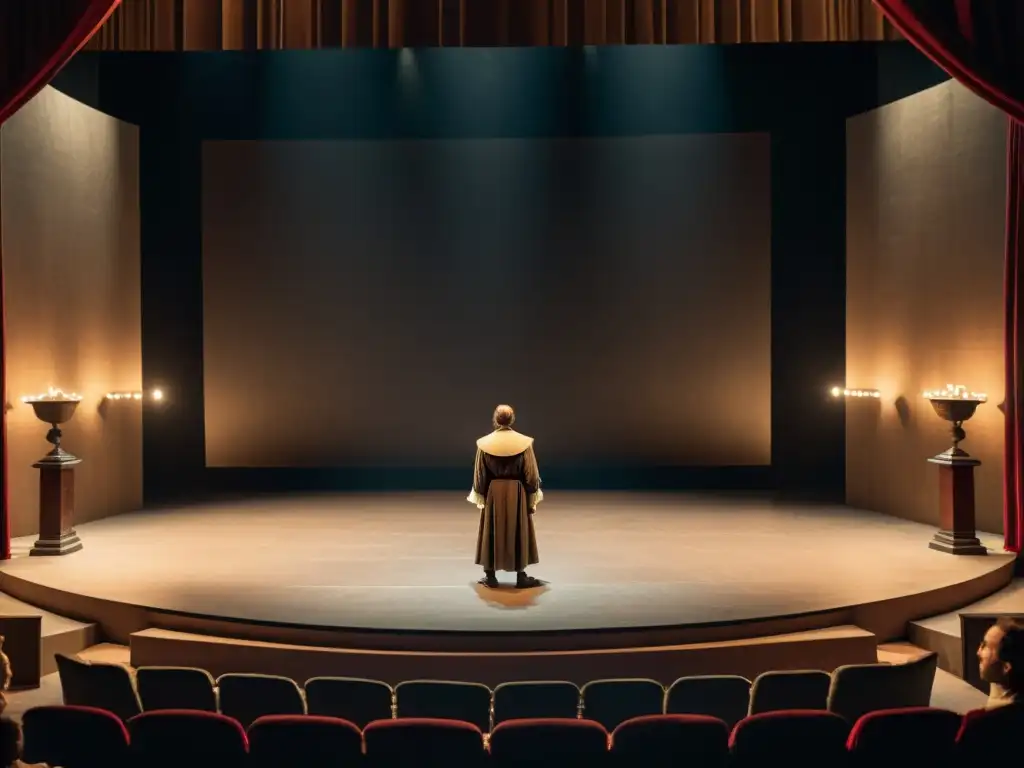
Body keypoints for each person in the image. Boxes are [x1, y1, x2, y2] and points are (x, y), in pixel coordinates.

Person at [468, 404, 544, 589]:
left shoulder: (484, 444)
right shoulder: (523, 443)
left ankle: (490, 575)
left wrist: (481, 494)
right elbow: (531, 474)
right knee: (519, 529)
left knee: (491, 530)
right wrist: (531, 495)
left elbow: (479, 474)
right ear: (512, 419)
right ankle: (521, 576)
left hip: (493, 491)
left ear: (495, 419)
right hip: (516, 492)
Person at [978, 617, 1024, 708]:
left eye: (986, 646)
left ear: (1006, 667)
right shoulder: (1001, 681)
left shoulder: (1006, 716)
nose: (978, 652)